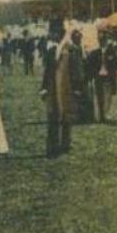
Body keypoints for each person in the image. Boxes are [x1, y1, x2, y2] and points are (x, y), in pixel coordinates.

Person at [41, 24, 84, 158]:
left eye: (55, 34)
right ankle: (52, 146)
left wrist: (77, 87)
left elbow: (76, 70)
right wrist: (43, 87)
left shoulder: (70, 50)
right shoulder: (52, 50)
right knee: (53, 115)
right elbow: (47, 71)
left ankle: (65, 144)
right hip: (53, 87)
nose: (53, 36)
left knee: (66, 116)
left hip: (67, 87)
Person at [86, 33, 117, 123]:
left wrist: (111, 69)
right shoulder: (95, 52)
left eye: (103, 40)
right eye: (100, 40)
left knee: (108, 96)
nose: (102, 42)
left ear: (106, 41)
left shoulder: (111, 51)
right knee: (99, 96)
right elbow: (90, 65)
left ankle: (106, 114)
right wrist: (93, 74)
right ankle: (101, 115)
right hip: (99, 76)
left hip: (108, 76)